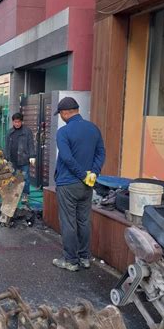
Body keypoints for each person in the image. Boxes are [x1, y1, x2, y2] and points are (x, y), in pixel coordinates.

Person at [52, 97, 105, 272]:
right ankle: (84, 258)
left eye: (60, 114)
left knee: (68, 222)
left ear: (65, 113)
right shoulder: (93, 129)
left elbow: (66, 158)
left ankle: (71, 261)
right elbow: (100, 153)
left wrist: (81, 175)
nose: (61, 117)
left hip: (68, 183)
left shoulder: (63, 132)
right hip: (87, 185)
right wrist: (93, 174)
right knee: (83, 221)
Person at [5, 112, 36, 203]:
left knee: (25, 178)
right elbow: (6, 146)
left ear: (21, 122)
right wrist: (6, 157)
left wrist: (32, 156)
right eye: (15, 122)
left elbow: (31, 144)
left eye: (18, 122)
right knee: (13, 178)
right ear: (13, 122)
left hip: (24, 159)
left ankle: (25, 194)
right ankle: (15, 194)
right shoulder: (10, 132)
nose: (17, 124)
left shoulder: (27, 132)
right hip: (12, 159)